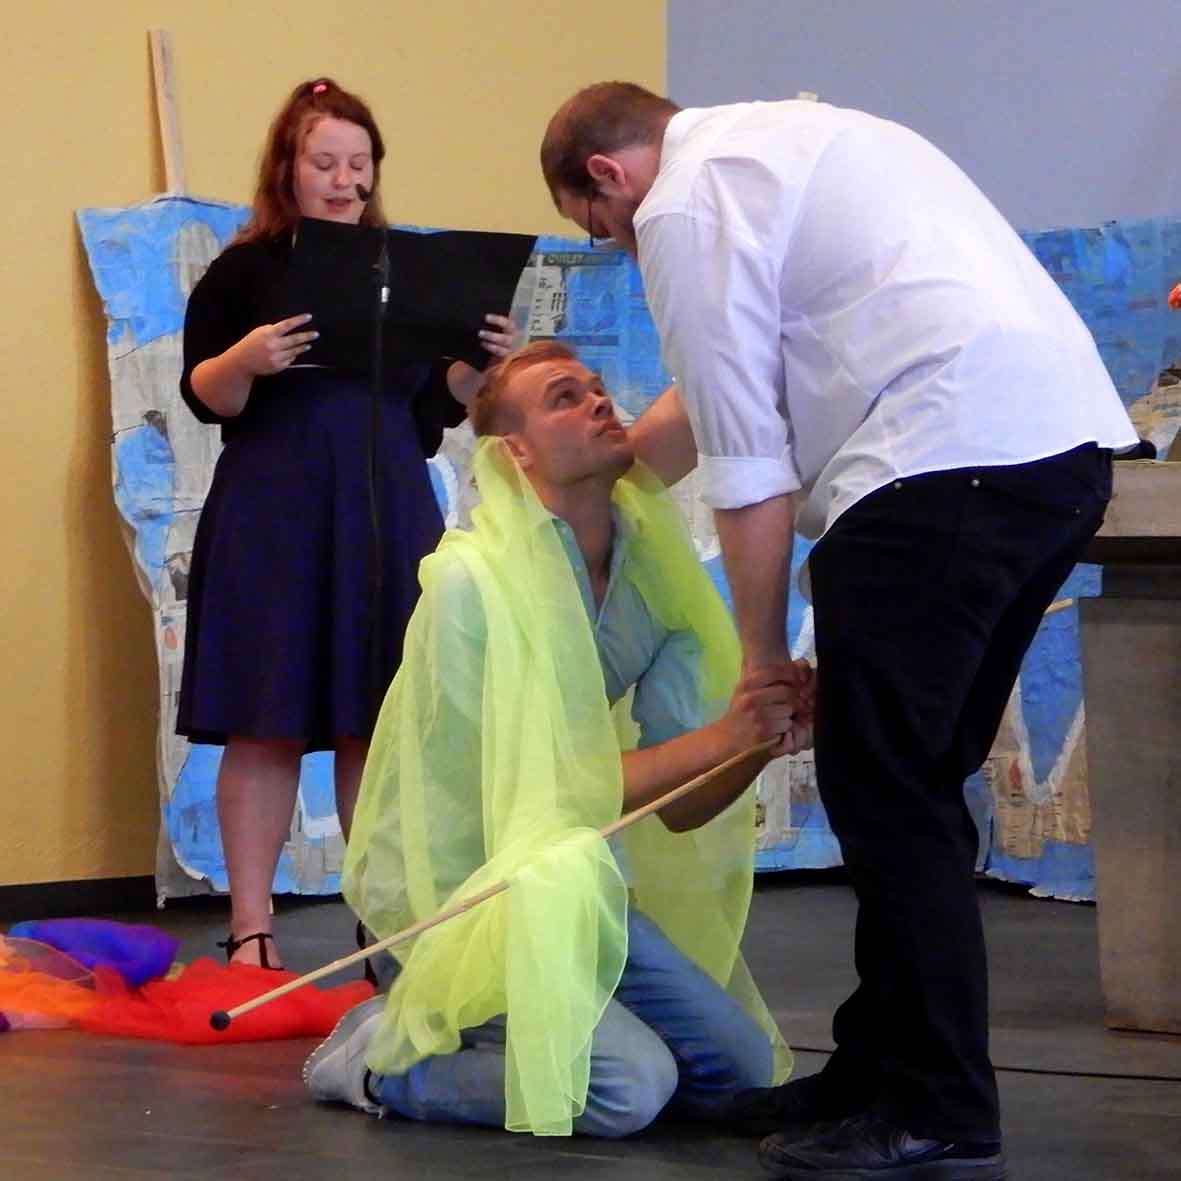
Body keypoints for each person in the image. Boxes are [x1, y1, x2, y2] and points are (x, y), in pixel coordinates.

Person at [539, 83, 1138, 1179]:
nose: (624, 245)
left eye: (602, 228)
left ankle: (939, 1103)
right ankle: (878, 1068)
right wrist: (587, 483)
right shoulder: (786, 135)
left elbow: (747, 467)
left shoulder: (681, 204)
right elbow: (707, 395)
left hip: (938, 462)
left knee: (886, 791)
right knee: (911, 779)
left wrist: (761, 663)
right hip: (1052, 456)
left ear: (608, 178)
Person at [303, 341, 799, 1137]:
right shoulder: (470, 583)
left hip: (575, 893)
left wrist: (757, 740)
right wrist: (724, 737)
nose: (599, 401)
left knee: (741, 1072)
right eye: (564, 397)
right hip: (459, 904)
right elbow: (546, 791)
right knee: (629, 1087)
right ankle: (378, 1057)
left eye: (598, 389)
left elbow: (680, 806)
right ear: (516, 453)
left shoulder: (651, 577)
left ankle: (501, 1033)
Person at [176, 78, 516, 969]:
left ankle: (383, 925)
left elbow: (433, 405)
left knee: (380, 718)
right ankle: (251, 928)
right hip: (277, 510)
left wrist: (482, 364)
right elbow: (207, 395)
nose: (343, 180)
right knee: (266, 718)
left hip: (385, 505)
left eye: (358, 164)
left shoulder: (403, 272)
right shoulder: (245, 269)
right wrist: (246, 357)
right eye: (323, 162)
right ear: (286, 169)